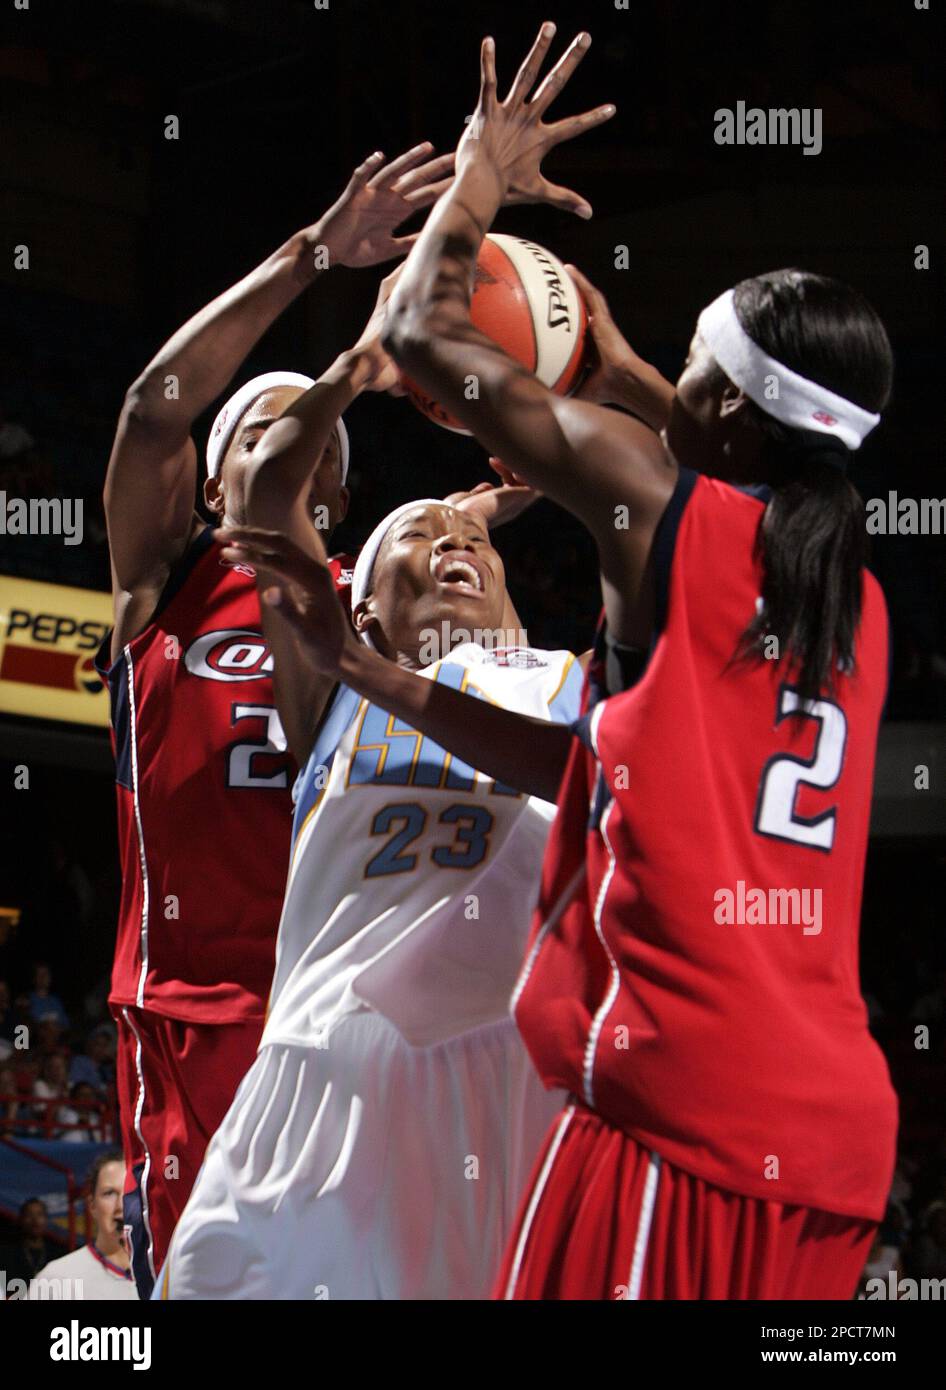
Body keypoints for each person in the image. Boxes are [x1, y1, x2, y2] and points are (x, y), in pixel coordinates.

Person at [284, 23, 897, 1299]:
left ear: (721, 406)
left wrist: (477, 174)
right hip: (830, 1146)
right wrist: (620, 372)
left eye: (683, 371)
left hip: (684, 1118)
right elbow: (595, 767)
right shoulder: (857, 597)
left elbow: (414, 330)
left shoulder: (669, 512)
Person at [154, 292, 584, 1297]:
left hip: (517, 1085)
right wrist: (356, 364)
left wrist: (536, 474)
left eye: (474, 543)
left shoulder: (575, 678)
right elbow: (262, 499)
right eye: (416, 539)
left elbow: (668, 521)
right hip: (321, 1072)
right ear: (362, 610)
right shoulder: (336, 682)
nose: (455, 547)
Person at [95, 140, 453, 1299]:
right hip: (194, 1009)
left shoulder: (365, 602)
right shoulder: (162, 583)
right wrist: (315, 257)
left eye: (300, 441)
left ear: (336, 490)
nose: (269, 451)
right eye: (248, 433)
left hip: (343, 1012)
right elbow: (154, 405)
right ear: (211, 481)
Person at [27, 1152, 137, 1301]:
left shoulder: (166, 1275)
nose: (121, 1205)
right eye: (109, 1193)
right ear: (92, 1205)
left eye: (130, 1192)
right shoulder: (57, 1278)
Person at [0, 1199, 57, 1288]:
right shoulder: (6, 1254)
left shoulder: (57, 1255)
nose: (35, 1220)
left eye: (39, 1215)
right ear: (21, 1219)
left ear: (46, 1219)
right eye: (29, 1215)